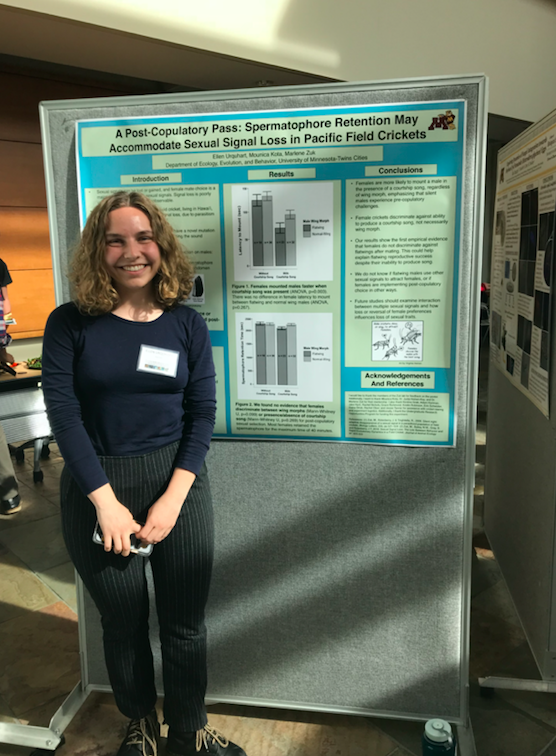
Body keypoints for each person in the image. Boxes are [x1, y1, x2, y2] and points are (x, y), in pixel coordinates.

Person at [42, 191, 247, 756]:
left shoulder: (185, 325)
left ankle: (189, 728)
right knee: (124, 623)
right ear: (97, 250)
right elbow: (65, 416)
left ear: (161, 245)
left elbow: (201, 414)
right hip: (96, 485)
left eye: (142, 237)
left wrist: (174, 497)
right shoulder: (69, 325)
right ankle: (140, 725)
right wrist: (105, 503)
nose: (132, 251)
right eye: (115, 239)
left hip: (177, 486)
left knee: (186, 623)